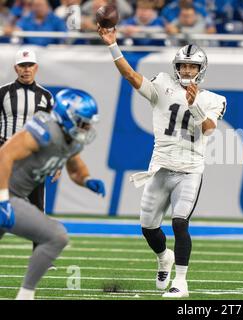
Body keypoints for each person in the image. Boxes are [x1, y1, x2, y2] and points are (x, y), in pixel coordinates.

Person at [97, 25, 227, 298]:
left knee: (180, 222)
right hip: (160, 168)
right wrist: (112, 45)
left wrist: (194, 105)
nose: (187, 71)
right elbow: (132, 76)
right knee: (148, 228)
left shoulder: (214, 99)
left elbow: (208, 129)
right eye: (183, 66)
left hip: (189, 170)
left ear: (201, 70)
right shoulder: (162, 84)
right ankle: (163, 257)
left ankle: (181, 282)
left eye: (192, 67)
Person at [0, 88, 106, 300]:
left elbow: (75, 168)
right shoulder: (45, 130)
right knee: (56, 236)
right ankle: (25, 295)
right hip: (6, 194)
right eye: (83, 122)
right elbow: (4, 155)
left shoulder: (72, 140)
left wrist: (86, 180)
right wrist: (3, 200)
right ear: (67, 116)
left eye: (89, 123)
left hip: (15, 195)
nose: (87, 127)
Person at [0, 48, 59, 267]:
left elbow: (53, 130)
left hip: (34, 158)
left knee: (37, 206)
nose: (26, 70)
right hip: (6, 156)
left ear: (36, 67)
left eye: (30, 65)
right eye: (22, 66)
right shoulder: (3, 92)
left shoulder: (45, 96)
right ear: (15, 68)